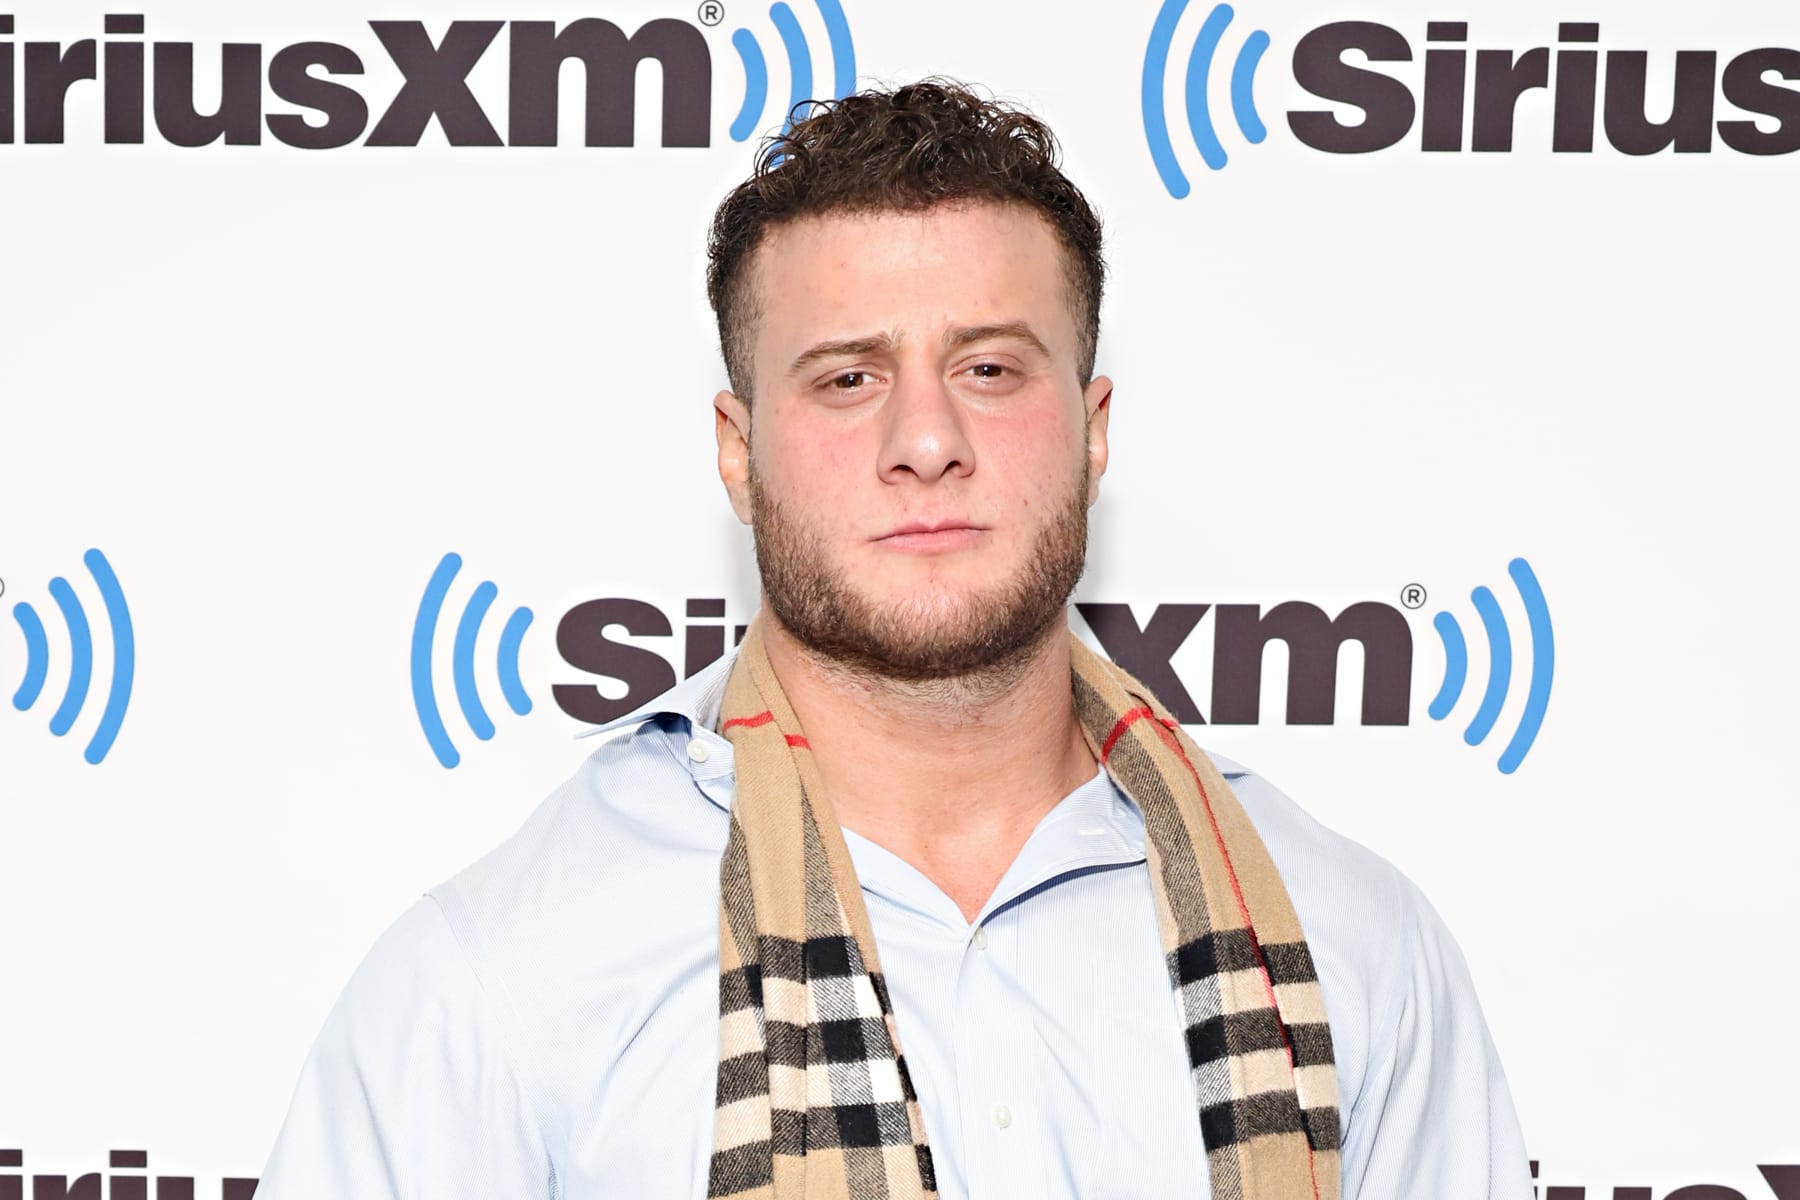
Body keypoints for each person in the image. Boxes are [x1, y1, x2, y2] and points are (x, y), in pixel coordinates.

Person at [256, 80, 1531, 1199]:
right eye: (848, 377)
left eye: (988, 368)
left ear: (1092, 433)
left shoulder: (1350, 945)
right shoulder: (504, 977)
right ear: (737, 452)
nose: (926, 440)